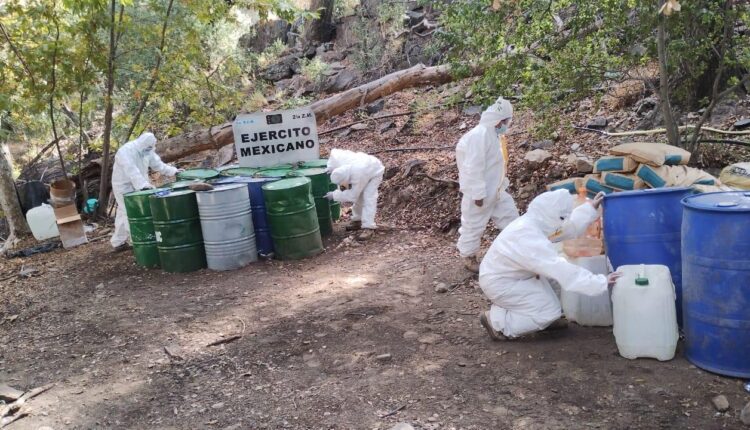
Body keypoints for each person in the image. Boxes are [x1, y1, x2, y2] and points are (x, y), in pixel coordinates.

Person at [477, 189, 621, 340]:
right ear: (550, 215)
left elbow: (566, 228)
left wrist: (589, 208)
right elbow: (561, 270)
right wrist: (599, 282)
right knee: (548, 311)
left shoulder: (537, 221)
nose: (563, 221)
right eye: (561, 217)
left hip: (514, 276)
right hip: (501, 283)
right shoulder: (527, 237)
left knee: (554, 284)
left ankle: (539, 316)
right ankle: (498, 323)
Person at [456, 96, 519, 273]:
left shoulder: (493, 135)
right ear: (499, 121)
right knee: (473, 225)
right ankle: (468, 257)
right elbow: (472, 167)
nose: (507, 124)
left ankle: (518, 254)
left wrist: (501, 185)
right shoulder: (479, 136)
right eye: (507, 121)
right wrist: (477, 194)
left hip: (497, 191)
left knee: (512, 220)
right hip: (480, 194)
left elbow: (497, 165)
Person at [110, 132, 180, 251]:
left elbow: (158, 164)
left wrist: (173, 171)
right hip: (123, 185)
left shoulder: (147, 151)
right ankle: (138, 242)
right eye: (147, 148)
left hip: (140, 184)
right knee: (130, 211)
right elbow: (131, 171)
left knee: (123, 211)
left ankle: (117, 242)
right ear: (141, 144)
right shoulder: (125, 151)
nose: (149, 150)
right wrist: (143, 185)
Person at [325, 149, 385, 240]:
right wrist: (330, 168)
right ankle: (357, 220)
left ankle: (368, 227)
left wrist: (334, 195)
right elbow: (334, 156)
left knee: (368, 198)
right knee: (359, 197)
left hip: (375, 171)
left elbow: (353, 196)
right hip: (365, 167)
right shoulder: (341, 162)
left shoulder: (357, 174)